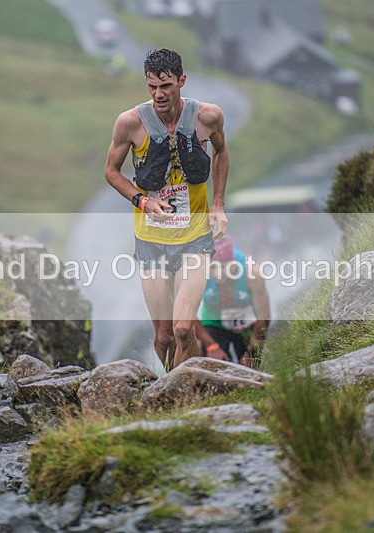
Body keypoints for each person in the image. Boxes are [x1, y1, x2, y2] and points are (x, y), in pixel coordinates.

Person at [104, 48, 229, 369]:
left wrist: (217, 204)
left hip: (195, 238)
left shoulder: (207, 116)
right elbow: (112, 172)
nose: (158, 94)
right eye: (152, 87)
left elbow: (222, 152)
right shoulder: (130, 123)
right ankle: (172, 386)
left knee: (184, 328)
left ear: (181, 81)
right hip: (152, 241)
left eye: (166, 86)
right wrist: (143, 201)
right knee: (163, 338)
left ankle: (181, 395)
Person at [196, 236, 270, 368]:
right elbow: (187, 314)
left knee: (251, 368)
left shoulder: (252, 273)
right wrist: (211, 346)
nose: (218, 274)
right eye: (213, 268)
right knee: (209, 361)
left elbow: (264, 317)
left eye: (223, 267)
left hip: (247, 322)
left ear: (234, 266)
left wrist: (251, 352)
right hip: (215, 321)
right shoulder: (198, 274)